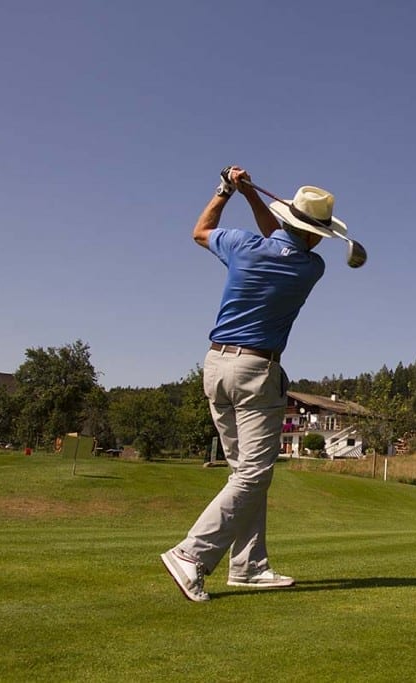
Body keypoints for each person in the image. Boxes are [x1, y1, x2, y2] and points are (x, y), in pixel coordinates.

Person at [161, 166, 344, 602]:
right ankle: (191, 554)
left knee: (245, 474)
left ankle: (248, 566)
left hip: (215, 367)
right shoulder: (311, 267)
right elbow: (281, 238)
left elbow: (201, 231)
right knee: (253, 475)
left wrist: (228, 191)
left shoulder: (243, 245)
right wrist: (251, 196)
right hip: (256, 375)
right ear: (315, 234)